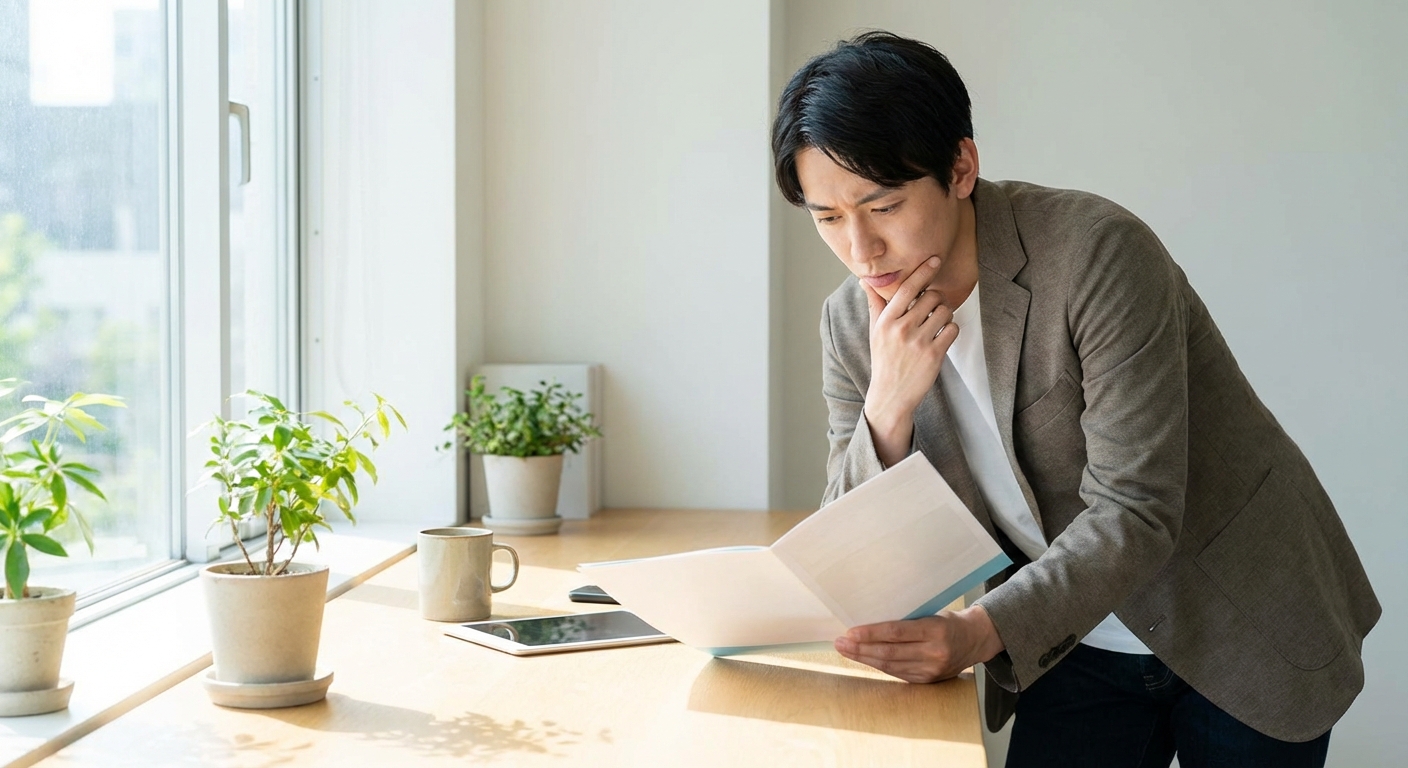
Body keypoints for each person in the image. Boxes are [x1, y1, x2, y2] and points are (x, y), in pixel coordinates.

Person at [771, 31, 1380, 768]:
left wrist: (976, 635)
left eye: (883, 206)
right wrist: (888, 409)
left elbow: (1136, 506)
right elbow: (852, 553)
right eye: (828, 218)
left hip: (1236, 612)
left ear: (961, 167)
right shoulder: (849, 322)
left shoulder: (1096, 253)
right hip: (1068, 634)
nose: (860, 250)